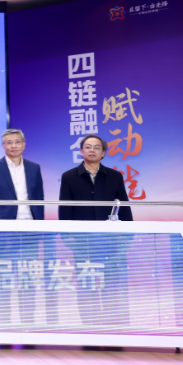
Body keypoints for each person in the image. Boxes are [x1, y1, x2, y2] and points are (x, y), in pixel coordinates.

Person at [59, 134, 133, 328]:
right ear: (81, 151)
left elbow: (124, 207)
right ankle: (91, 326)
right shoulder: (69, 177)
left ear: (104, 153)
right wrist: (68, 239)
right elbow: (64, 210)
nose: (92, 150)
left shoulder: (115, 176)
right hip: (83, 243)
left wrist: (128, 236)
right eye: (88, 147)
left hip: (111, 243)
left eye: (97, 147)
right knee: (87, 286)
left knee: (113, 286)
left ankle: (113, 326)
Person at [0, 128, 46, 327]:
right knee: (3, 281)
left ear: (23, 145)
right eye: (9, 142)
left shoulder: (34, 168)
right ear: (3, 146)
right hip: (3, 233)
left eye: (17, 142)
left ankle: (28, 324)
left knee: (27, 281)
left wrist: (40, 226)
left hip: (29, 230)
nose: (14, 146)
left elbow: (39, 198)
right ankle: (4, 325)